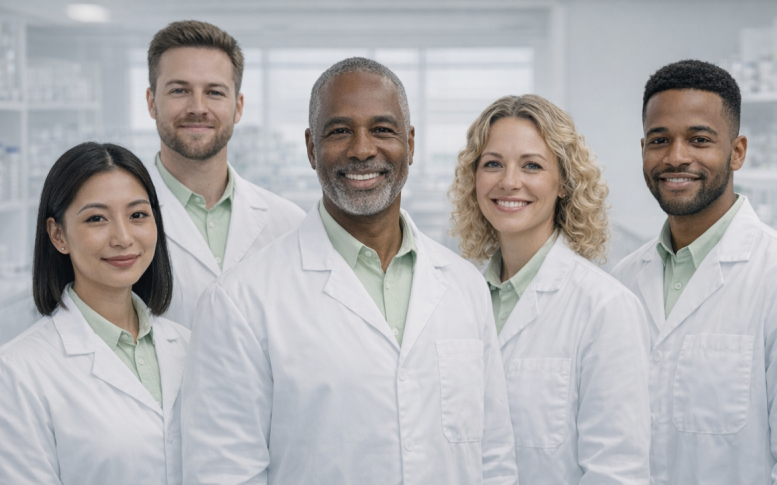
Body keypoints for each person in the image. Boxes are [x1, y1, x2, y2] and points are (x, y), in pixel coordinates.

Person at [181, 57, 518, 484]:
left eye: (382, 129)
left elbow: (494, 459)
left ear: (410, 144)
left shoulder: (465, 286)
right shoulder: (241, 301)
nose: (362, 149)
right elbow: (224, 473)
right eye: (340, 131)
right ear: (310, 148)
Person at [611, 59, 777, 484]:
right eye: (660, 140)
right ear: (643, 150)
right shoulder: (623, 282)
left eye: (699, 139)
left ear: (737, 151)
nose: (676, 157)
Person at [449, 94, 650, 484]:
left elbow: (617, 472)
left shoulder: (605, 308)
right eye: (492, 164)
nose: (509, 181)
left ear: (563, 183)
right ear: (474, 179)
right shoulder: (455, 298)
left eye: (532, 166)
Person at [0, 143, 189, 485]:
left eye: (137, 215)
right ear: (58, 235)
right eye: (96, 219)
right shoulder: (16, 372)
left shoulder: (188, 346)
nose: (123, 237)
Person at [145, 20, 304, 327]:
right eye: (179, 90)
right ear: (152, 103)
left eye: (215, 92)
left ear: (238, 107)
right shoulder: (118, 223)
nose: (198, 107)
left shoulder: (288, 224)